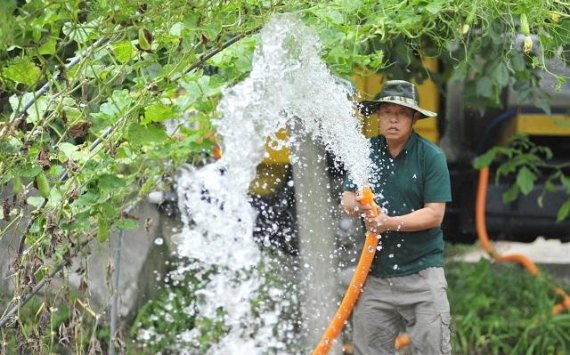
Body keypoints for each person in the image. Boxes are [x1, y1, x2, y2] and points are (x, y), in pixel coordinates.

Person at [340, 80, 452, 354]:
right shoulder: (365, 152)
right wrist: (360, 207)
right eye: (387, 111)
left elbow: (435, 215)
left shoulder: (430, 156)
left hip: (422, 275)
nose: (393, 118)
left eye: (401, 112)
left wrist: (389, 223)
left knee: (433, 350)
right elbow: (347, 200)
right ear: (378, 115)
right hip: (375, 277)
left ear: (414, 117)